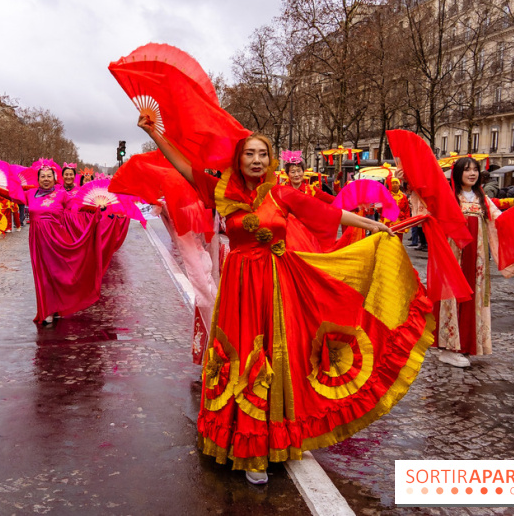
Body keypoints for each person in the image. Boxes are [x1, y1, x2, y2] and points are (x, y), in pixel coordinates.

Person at [138, 114, 434, 485]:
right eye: (250, 154)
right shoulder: (220, 191)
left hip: (277, 284)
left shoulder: (282, 193)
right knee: (242, 356)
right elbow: (183, 166)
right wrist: (153, 132)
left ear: (270, 160)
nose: (257, 160)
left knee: (281, 357)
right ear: (238, 159)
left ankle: (273, 438)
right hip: (239, 286)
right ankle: (246, 449)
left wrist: (373, 226)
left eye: (263, 154)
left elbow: (327, 213)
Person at [0, 161, 102, 324]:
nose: (46, 179)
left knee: (59, 273)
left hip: (58, 239)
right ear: (38, 179)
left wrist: (98, 208)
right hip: (37, 240)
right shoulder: (30, 194)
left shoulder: (61, 194)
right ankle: (48, 309)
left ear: (55, 178)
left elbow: (79, 206)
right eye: (43, 176)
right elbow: (12, 195)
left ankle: (61, 304)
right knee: (43, 276)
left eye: (49, 176)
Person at [434, 158, 514, 367]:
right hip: (454, 254)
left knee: (472, 295)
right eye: (467, 170)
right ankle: (447, 347)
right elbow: (428, 210)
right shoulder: (449, 196)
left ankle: (464, 345)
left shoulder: (482, 197)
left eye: (475, 170)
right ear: (458, 173)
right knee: (453, 295)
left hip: (476, 258)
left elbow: (499, 219)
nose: (472, 173)